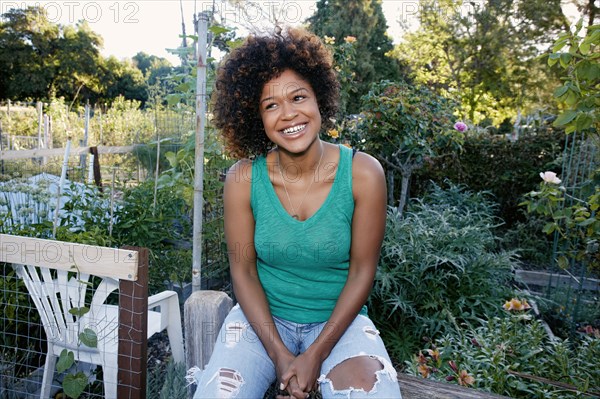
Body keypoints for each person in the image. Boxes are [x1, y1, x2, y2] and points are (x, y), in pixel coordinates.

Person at [191, 26, 402, 399]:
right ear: (257, 118)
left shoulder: (363, 174)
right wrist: (280, 354)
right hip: (262, 323)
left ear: (319, 98)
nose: (288, 114)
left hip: (341, 323)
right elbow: (242, 270)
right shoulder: (242, 180)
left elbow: (362, 271)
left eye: (298, 97)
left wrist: (315, 354)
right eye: (271, 105)